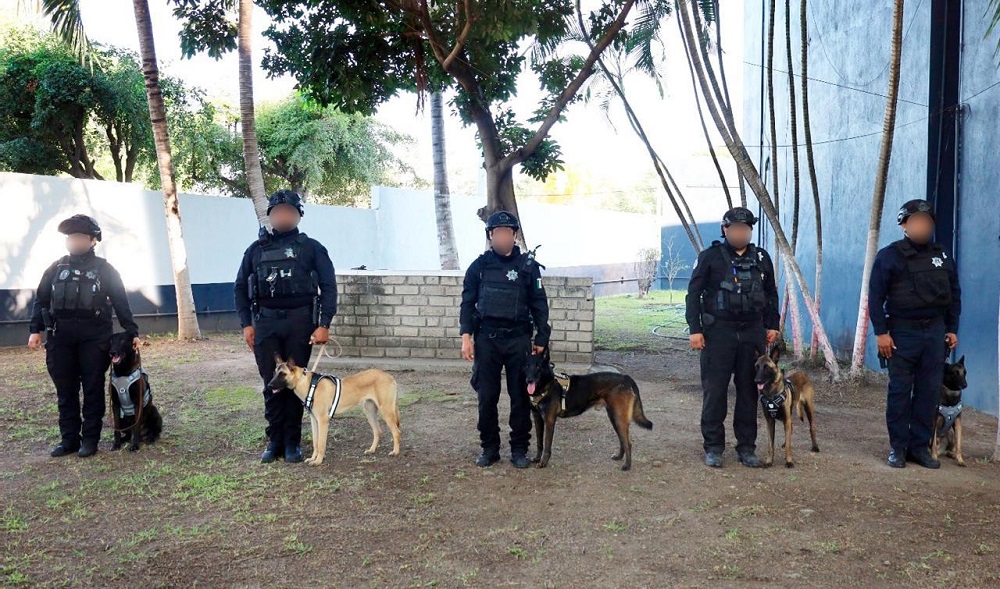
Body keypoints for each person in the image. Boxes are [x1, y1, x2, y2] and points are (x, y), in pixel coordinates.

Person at [234, 190, 337, 464]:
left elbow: (328, 287)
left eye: (289, 211)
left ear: (298, 215)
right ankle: (274, 440)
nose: (283, 216)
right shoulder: (256, 251)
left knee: (296, 384)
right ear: (270, 215)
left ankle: (292, 442)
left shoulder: (312, 248)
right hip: (266, 323)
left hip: (300, 323)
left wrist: (323, 324)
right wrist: (247, 325)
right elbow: (239, 288)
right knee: (272, 383)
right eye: (277, 211)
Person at [27, 214, 140, 458]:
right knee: (65, 391)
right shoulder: (57, 268)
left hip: (95, 337)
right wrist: (34, 330)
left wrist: (132, 332)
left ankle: (89, 440)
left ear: (92, 241)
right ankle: (68, 440)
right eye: (70, 238)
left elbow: (121, 303)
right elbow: (41, 299)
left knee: (92, 388)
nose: (74, 242)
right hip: (60, 337)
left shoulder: (105, 269)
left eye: (79, 237)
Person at [869, 199, 961, 469]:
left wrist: (952, 328)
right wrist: (881, 333)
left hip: (935, 333)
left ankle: (919, 447)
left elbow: (954, 294)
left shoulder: (942, 255)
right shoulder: (889, 256)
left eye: (928, 222)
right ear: (904, 225)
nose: (923, 226)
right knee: (899, 392)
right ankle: (898, 448)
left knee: (929, 393)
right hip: (901, 333)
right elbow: (875, 297)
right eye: (917, 221)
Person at [686, 207, 780, 468]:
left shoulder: (762, 258)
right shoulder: (710, 257)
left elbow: (771, 293)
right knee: (715, 391)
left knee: (750, 391)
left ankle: (747, 448)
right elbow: (693, 294)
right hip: (719, 332)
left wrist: (773, 325)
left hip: (752, 332)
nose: (741, 232)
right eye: (736, 228)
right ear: (725, 230)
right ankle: (714, 447)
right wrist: (695, 329)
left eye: (746, 228)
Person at [459, 211, 551, 469]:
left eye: (506, 232)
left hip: (519, 340)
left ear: (514, 235)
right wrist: (466, 336)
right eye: (496, 232)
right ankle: (489, 448)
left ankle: (519, 449)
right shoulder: (479, 267)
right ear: (490, 235)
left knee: (520, 397)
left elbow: (540, 305)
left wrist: (541, 338)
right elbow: (467, 302)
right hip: (487, 340)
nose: (502, 236)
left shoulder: (528, 268)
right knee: (486, 396)